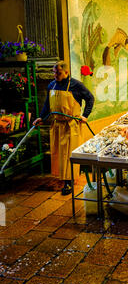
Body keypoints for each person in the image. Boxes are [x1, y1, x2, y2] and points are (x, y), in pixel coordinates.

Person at [33, 61, 94, 195]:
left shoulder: (76, 85)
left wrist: (85, 115)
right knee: (59, 153)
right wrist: (41, 117)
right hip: (57, 125)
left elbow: (90, 98)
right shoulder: (51, 85)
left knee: (69, 154)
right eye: (54, 72)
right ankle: (63, 177)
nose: (55, 75)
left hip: (71, 125)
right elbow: (47, 104)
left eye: (58, 73)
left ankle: (69, 182)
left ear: (66, 72)